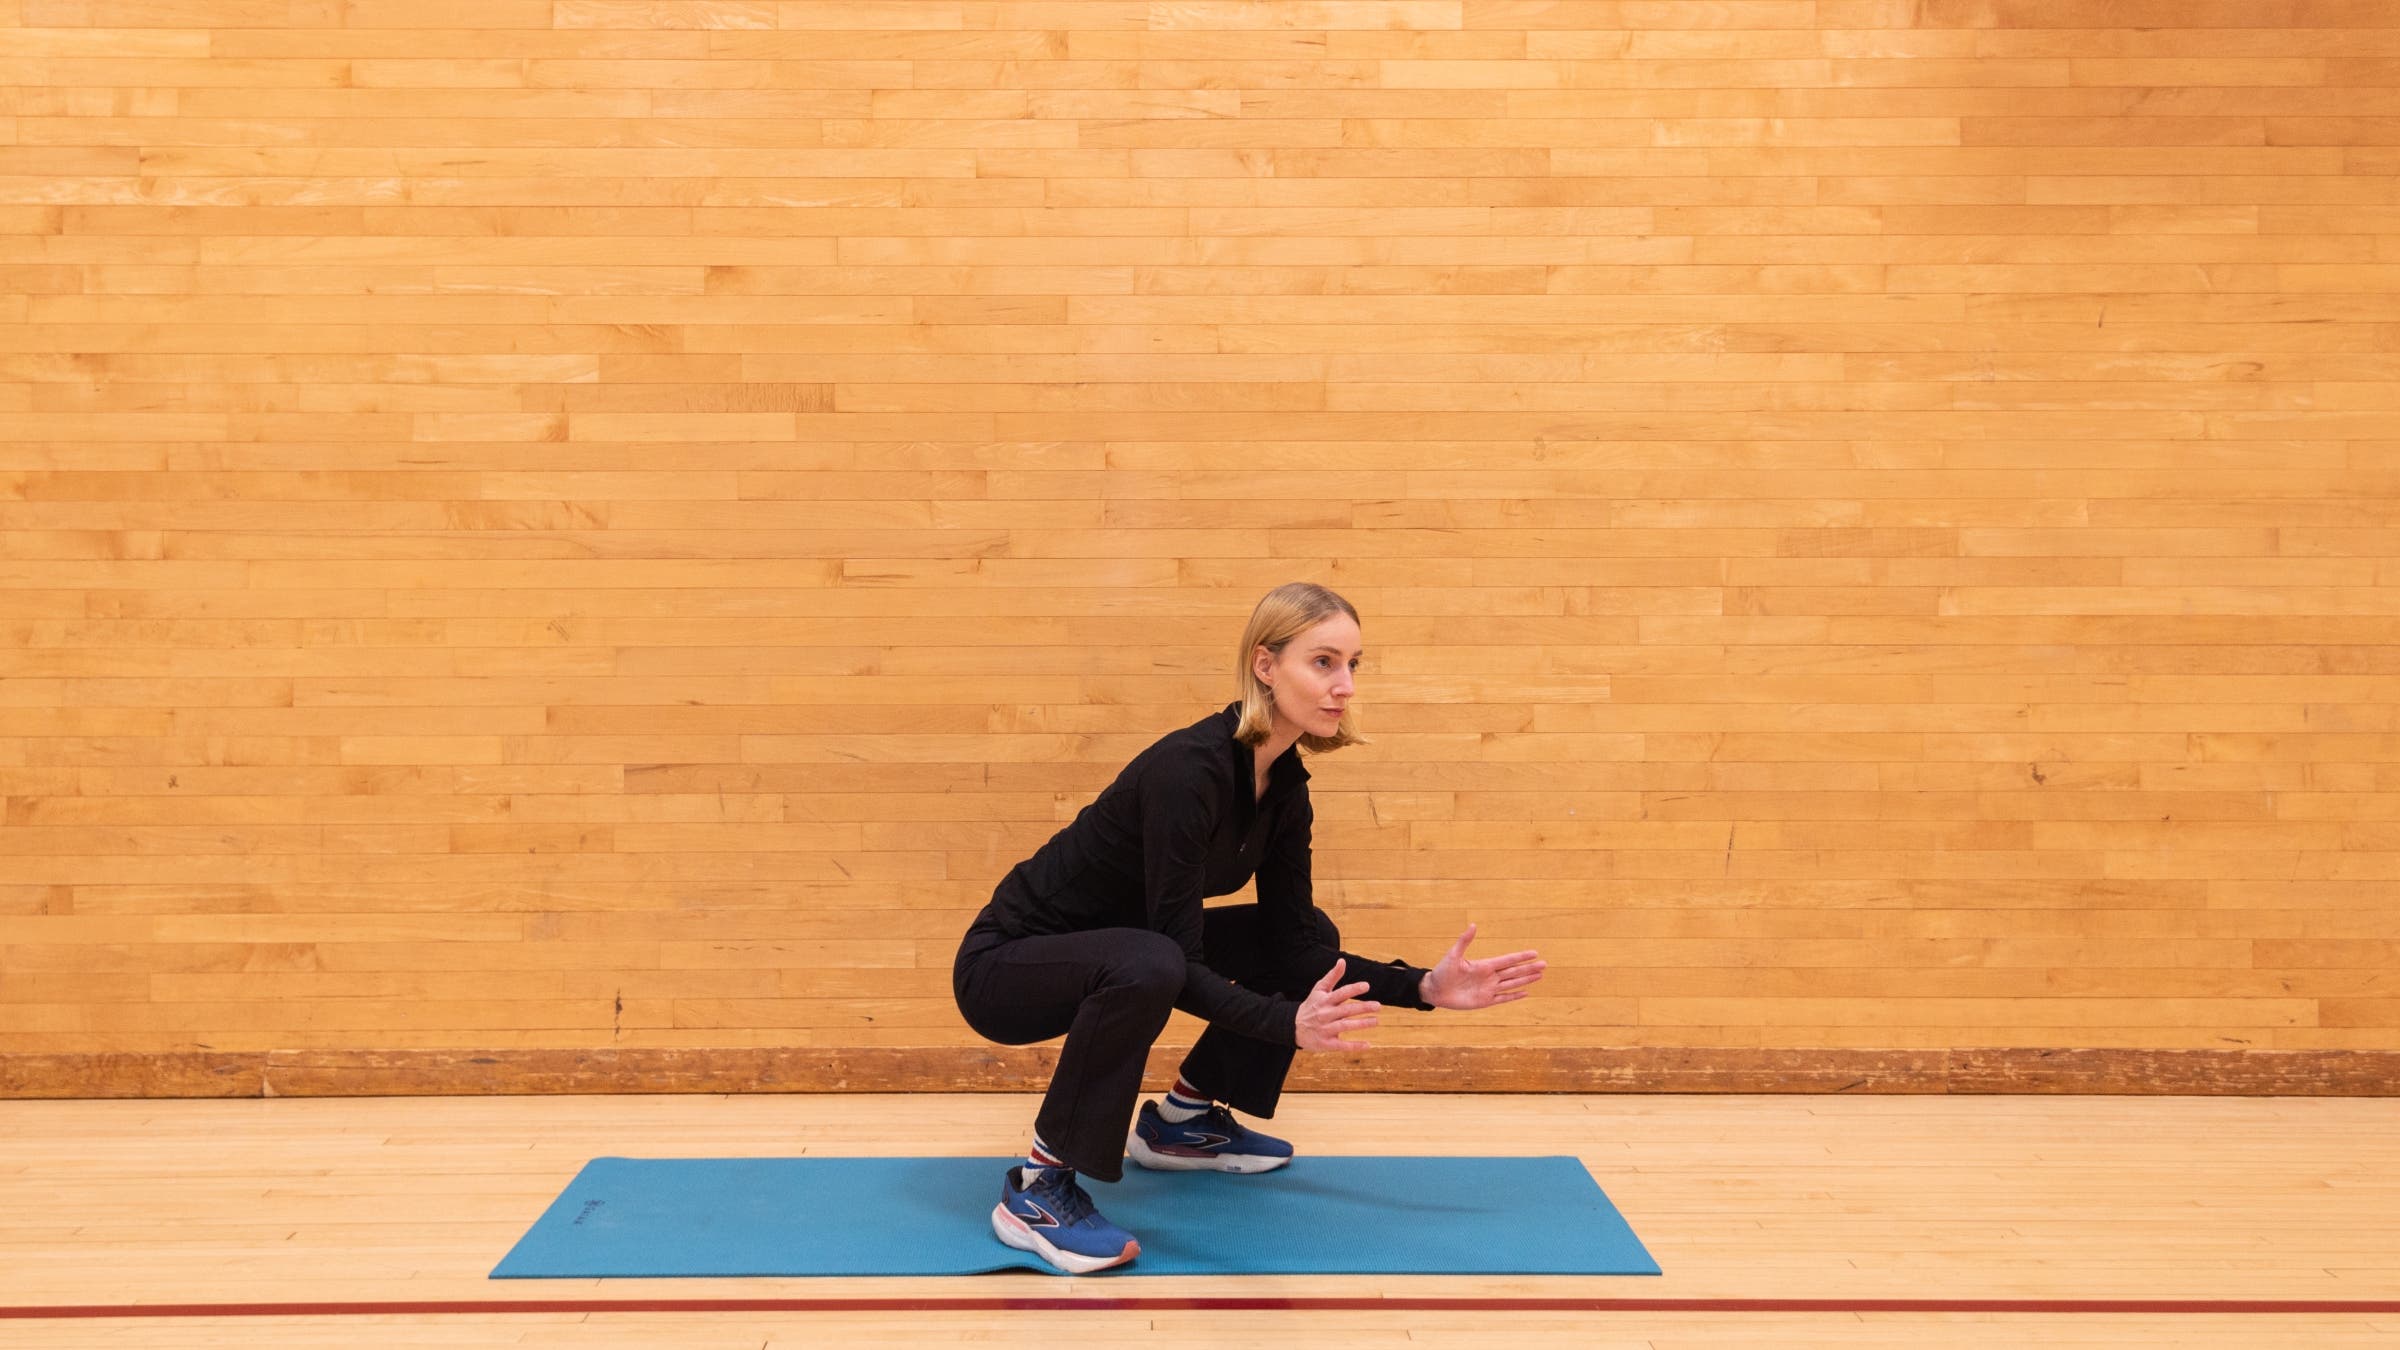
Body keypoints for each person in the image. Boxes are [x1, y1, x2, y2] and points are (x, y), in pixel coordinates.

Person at [951, 581, 1548, 1274]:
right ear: (1265, 666)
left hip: (1127, 956)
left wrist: (1420, 986)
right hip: (1006, 967)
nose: (1345, 686)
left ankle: (1182, 1122)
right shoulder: (1187, 773)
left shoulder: (1283, 786)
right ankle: (1038, 1190)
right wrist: (1285, 1024)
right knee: (1150, 961)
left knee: (1296, 934)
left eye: (1354, 665)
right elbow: (1173, 960)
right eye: (1323, 662)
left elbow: (1294, 947)